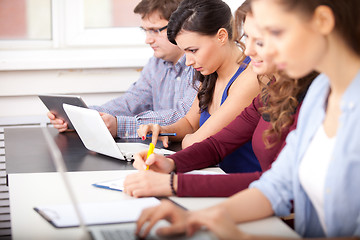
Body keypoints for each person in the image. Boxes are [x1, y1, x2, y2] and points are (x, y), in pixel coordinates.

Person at [134, 0, 360, 239]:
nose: (251, 51)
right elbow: (277, 185)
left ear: (323, 22)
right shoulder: (321, 92)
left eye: (271, 33)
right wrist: (197, 216)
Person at [123, 0, 318, 198]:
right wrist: (171, 162)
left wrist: (174, 183)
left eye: (259, 40)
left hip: (257, 196)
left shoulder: (263, 81)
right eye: (247, 37)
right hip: (246, 191)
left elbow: (278, 183)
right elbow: (215, 144)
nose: (248, 50)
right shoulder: (273, 92)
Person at [136, 0, 261, 174]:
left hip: (242, 183)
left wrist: (187, 139)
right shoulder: (211, 73)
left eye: (193, 50)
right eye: (184, 51)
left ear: (221, 36)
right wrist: (164, 130)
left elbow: (196, 143)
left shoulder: (250, 78)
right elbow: (189, 123)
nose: (187, 61)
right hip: (211, 175)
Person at [47, 0, 197, 139]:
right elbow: (132, 101)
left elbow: (184, 118)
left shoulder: (199, 66)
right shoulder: (156, 63)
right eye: (144, 30)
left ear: (180, 25)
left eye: (154, 30)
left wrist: (119, 125)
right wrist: (85, 115)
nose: (147, 40)